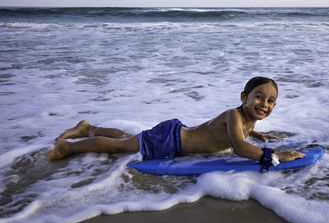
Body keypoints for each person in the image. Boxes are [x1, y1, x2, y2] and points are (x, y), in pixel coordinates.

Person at [47, 76, 304, 168]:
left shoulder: (248, 120)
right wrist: (276, 156)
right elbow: (239, 147)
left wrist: (258, 136)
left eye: (271, 101)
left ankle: (87, 128)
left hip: (174, 135)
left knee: (128, 138)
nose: (264, 104)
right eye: (259, 97)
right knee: (121, 147)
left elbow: (242, 135)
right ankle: (66, 148)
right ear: (244, 97)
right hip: (171, 140)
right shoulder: (233, 114)